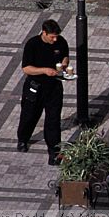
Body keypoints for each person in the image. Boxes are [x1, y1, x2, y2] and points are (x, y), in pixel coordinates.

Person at [17, 19, 70, 164]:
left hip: (54, 88)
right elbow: (26, 68)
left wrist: (64, 64)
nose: (55, 39)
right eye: (52, 36)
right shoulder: (32, 44)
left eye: (56, 36)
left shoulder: (61, 42)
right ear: (44, 33)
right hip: (35, 87)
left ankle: (54, 153)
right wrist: (44, 70)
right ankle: (23, 139)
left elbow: (65, 55)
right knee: (29, 116)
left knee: (53, 121)